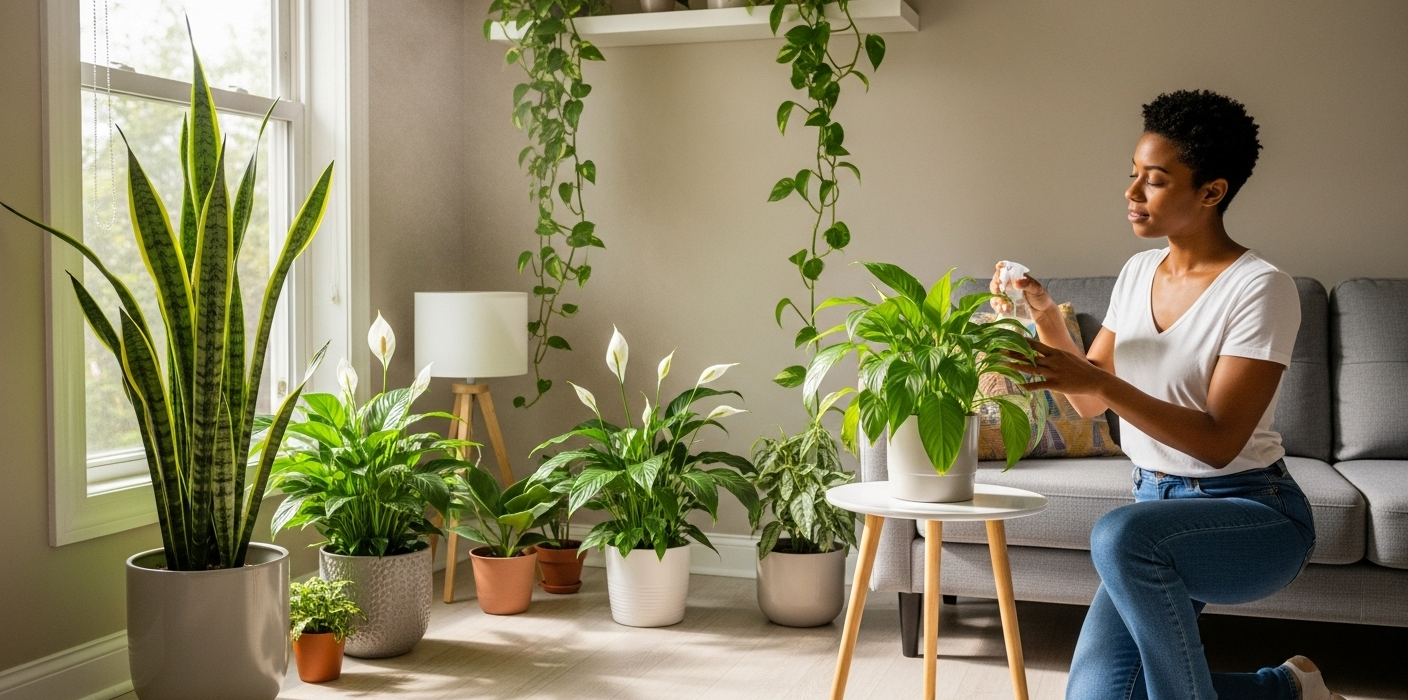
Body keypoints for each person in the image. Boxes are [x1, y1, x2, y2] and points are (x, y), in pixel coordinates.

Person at [990, 90, 1341, 700]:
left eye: (1154, 181)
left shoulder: (1261, 288)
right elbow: (1089, 402)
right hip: (1153, 511)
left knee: (1118, 535)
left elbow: (1219, 442)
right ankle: (1288, 691)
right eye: (1132, 176)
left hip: (1250, 515)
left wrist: (1100, 380)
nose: (1131, 194)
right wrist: (1045, 317)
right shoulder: (1136, 274)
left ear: (1211, 192)